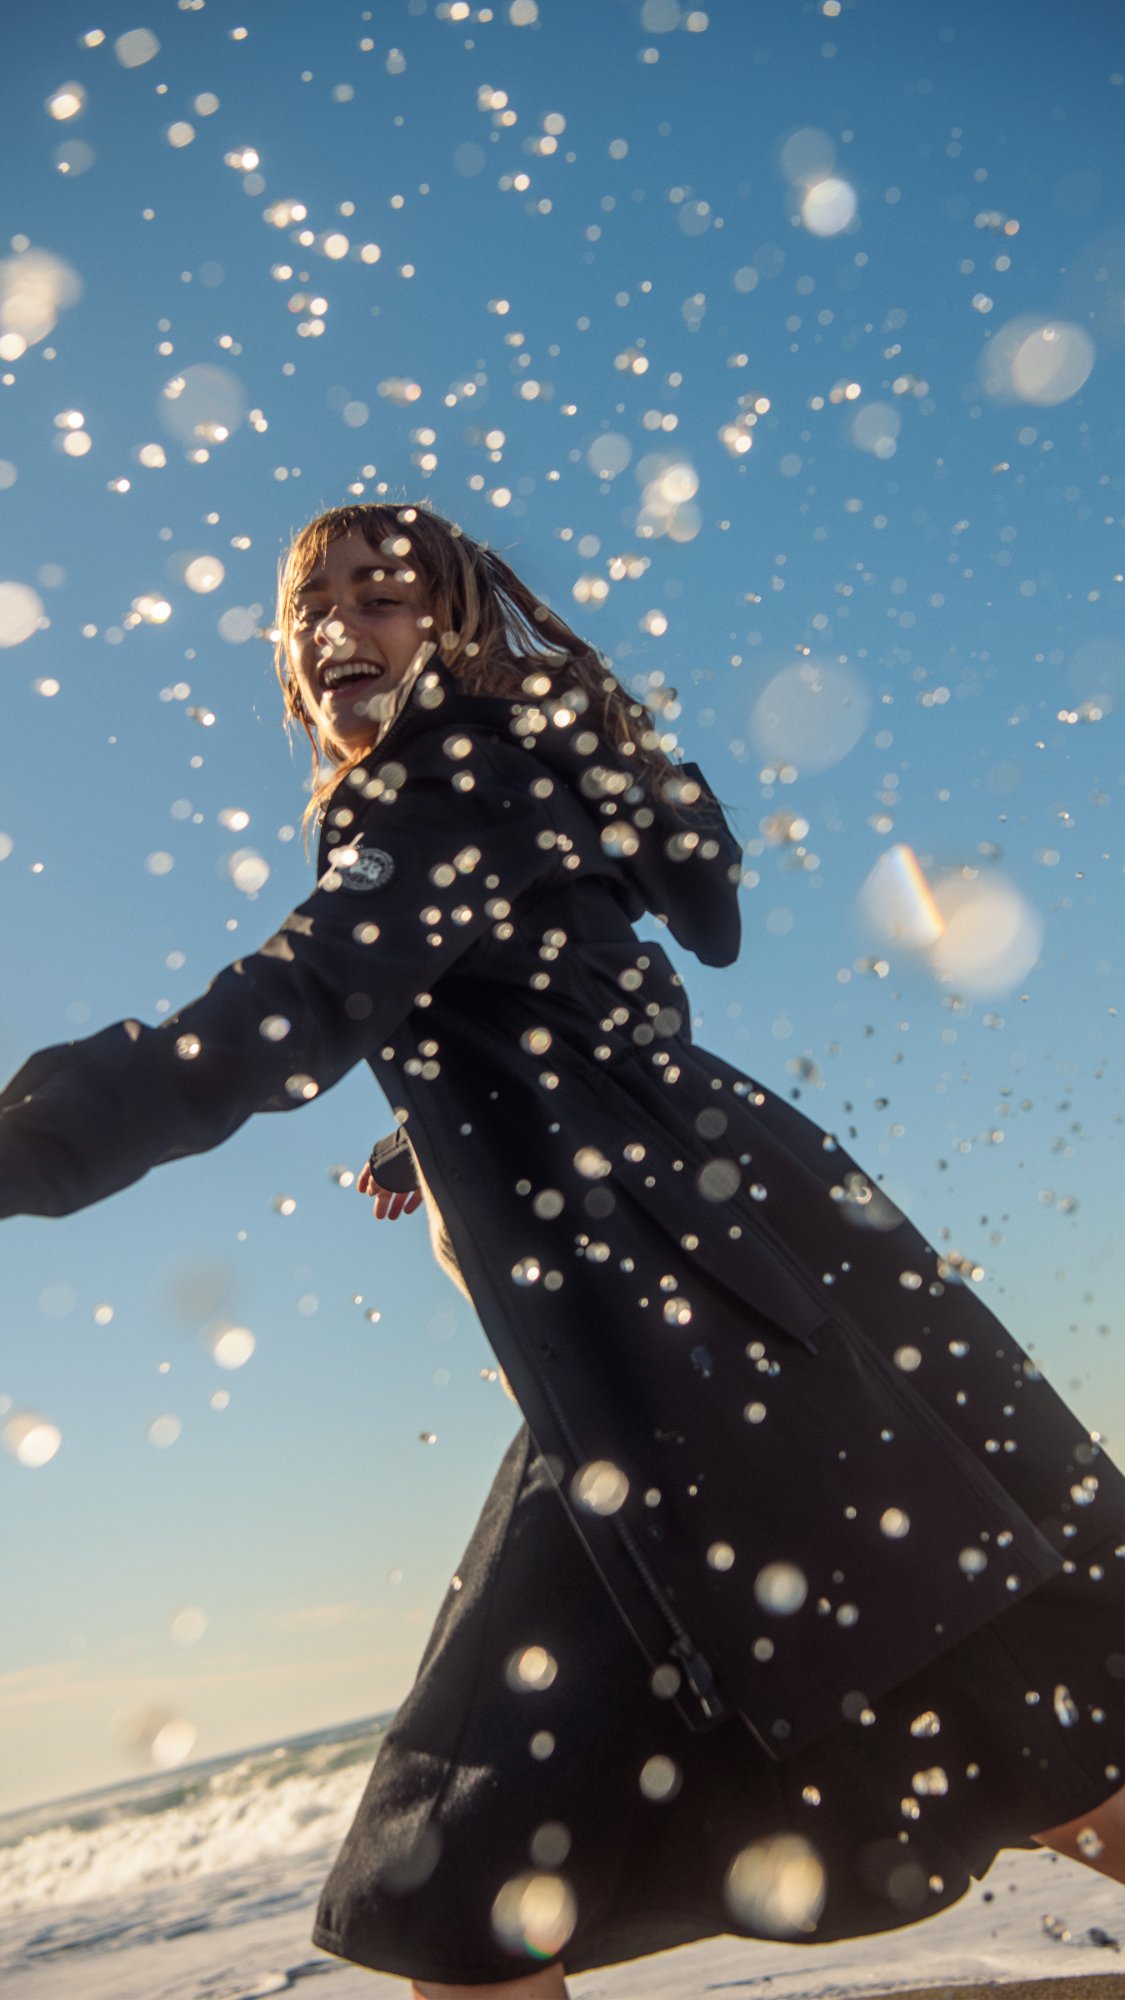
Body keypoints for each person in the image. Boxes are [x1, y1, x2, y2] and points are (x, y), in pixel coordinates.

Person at [2, 501, 1125, 2000]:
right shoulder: (509, 772)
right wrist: (450, 1120)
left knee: (1030, 1749)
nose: (339, 627)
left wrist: (27, 1147)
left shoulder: (440, 774)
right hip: (659, 1358)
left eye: (380, 595)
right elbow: (624, 982)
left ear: (451, 624)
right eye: (310, 603)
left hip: (705, 1364)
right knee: (468, 1882)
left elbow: (292, 1005)